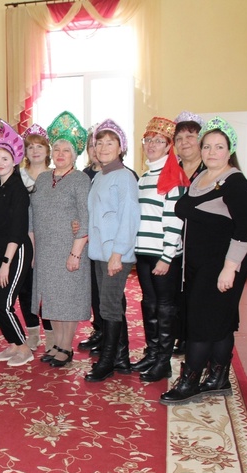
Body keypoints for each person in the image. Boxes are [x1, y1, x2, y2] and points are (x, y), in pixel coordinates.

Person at [161, 117, 247, 404]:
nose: (212, 152)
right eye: (207, 146)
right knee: (219, 319)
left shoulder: (237, 184)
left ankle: (189, 382)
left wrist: (229, 269)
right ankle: (218, 378)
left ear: (230, 151)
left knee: (202, 322)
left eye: (219, 147)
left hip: (223, 263)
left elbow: (245, 231)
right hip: (198, 264)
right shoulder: (201, 177)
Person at [31, 111, 90, 368]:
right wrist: (33, 250)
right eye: (56, 149)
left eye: (66, 150)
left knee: (68, 300)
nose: (60, 154)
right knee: (52, 300)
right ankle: (55, 344)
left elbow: (86, 218)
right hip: (45, 251)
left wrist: (75, 253)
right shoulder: (43, 178)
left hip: (70, 249)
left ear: (75, 155)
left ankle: (66, 347)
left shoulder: (80, 179)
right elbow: (32, 215)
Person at [132, 116, 187, 383]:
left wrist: (166, 257)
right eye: (148, 140)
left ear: (168, 146)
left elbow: (175, 220)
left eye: (158, 141)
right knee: (149, 303)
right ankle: (152, 353)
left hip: (163, 255)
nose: (151, 145)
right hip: (144, 251)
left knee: (164, 308)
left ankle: (164, 362)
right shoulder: (144, 177)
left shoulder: (173, 177)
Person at [84, 119, 140, 382]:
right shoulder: (101, 176)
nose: (103, 148)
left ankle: (106, 362)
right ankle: (121, 358)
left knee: (108, 307)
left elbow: (130, 217)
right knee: (111, 305)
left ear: (121, 147)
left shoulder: (124, 177)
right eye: (99, 143)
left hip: (115, 255)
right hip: (99, 253)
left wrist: (118, 254)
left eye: (110, 143)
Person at [0, 120, 33, 366]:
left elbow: (17, 230)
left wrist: (6, 262)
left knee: (3, 304)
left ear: (15, 161)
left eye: (5, 158)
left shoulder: (18, 189)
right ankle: (13, 344)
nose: (0, 163)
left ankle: (24, 348)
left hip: (15, 252)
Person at [170, 111, 207, 357]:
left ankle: (197, 338)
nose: (184, 142)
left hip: (201, 242)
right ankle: (181, 336)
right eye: (179, 138)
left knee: (198, 293)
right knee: (177, 292)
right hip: (174, 242)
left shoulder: (209, 170)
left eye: (190, 137)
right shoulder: (172, 170)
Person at [19, 123, 53, 352]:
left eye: (39, 146)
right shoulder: (18, 176)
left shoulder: (56, 175)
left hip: (50, 240)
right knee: (25, 288)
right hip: (22, 239)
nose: (35, 150)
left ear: (47, 149)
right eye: (30, 147)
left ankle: (51, 334)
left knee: (48, 291)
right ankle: (32, 332)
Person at [78, 125, 104, 354]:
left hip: (106, 244)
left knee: (109, 293)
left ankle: (111, 337)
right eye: (92, 145)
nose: (96, 150)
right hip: (87, 243)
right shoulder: (83, 175)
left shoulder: (120, 173)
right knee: (93, 290)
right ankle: (99, 330)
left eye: (100, 145)